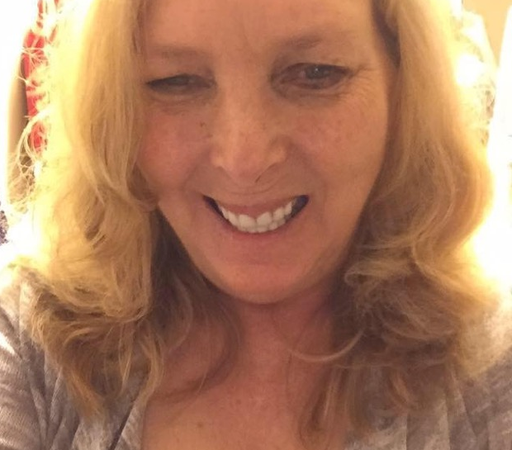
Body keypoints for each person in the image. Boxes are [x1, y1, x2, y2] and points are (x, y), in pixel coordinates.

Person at [0, 0, 511, 449]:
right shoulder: (33, 346)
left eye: (315, 73)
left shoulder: (490, 371)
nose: (245, 159)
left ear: (403, 88)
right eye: (176, 81)